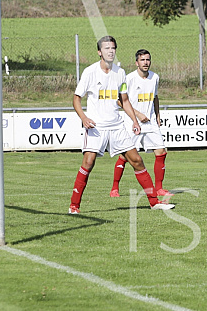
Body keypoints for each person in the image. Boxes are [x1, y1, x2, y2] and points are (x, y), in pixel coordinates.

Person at [69, 36, 174, 214]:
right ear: (99, 52)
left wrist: (134, 120)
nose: (110, 51)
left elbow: (124, 100)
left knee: (137, 161)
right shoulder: (90, 72)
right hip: (96, 126)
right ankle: (74, 206)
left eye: (113, 48)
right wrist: (84, 118)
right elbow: (76, 99)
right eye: (106, 48)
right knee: (88, 162)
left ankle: (154, 202)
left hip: (117, 126)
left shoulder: (120, 72)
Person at [111, 49, 173, 198]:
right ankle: (114, 188)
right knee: (126, 156)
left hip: (150, 122)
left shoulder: (155, 77)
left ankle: (159, 188)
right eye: (143, 60)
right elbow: (119, 100)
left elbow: (155, 97)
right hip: (134, 123)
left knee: (161, 152)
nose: (146, 63)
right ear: (136, 62)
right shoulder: (128, 79)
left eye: (148, 60)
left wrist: (157, 115)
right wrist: (137, 116)